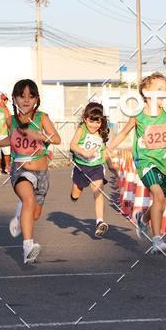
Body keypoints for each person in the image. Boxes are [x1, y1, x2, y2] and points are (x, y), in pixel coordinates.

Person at [107, 72, 166, 253]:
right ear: (146, 92)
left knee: (161, 202)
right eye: (159, 89)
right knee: (158, 196)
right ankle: (156, 240)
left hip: (164, 163)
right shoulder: (138, 115)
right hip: (145, 162)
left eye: (165, 90)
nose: (163, 93)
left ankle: (143, 219)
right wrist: (109, 148)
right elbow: (122, 133)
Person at [0, 79, 60, 264]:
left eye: (31, 96)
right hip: (20, 169)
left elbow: (57, 139)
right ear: (14, 99)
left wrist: (40, 135)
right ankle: (28, 247)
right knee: (28, 199)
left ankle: (20, 213)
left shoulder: (42, 118)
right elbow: (12, 138)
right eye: (22, 96)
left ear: (37, 98)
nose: (26, 100)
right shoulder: (11, 120)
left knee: (35, 213)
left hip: (42, 173)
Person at [69, 101, 110, 237]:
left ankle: (99, 222)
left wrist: (112, 166)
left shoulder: (103, 132)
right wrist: (84, 152)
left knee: (98, 191)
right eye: (91, 121)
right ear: (85, 119)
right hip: (81, 165)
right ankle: (75, 191)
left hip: (96, 167)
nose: (94, 125)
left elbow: (105, 152)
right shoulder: (82, 129)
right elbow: (73, 145)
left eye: (98, 122)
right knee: (76, 194)